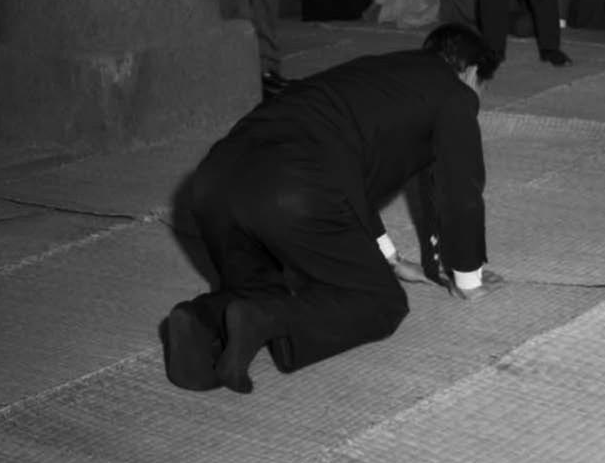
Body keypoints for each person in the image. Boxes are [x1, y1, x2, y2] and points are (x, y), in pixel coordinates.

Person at [164, 24, 501, 394]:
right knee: (378, 302)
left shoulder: (372, 74)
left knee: (267, 288)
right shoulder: (453, 93)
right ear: (471, 73)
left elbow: (348, 165)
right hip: (290, 185)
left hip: (213, 182)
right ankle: (267, 320)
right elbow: (460, 189)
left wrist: (390, 257)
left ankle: (199, 319)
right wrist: (469, 280)